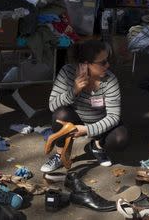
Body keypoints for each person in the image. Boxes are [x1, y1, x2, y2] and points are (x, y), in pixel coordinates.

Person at [40, 40, 129, 173]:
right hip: (76, 117)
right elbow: (53, 106)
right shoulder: (67, 72)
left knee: (120, 139)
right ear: (85, 64)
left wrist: (87, 130)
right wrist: (74, 90)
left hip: (100, 122)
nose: (108, 65)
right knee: (60, 114)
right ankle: (60, 154)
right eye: (103, 62)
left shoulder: (110, 80)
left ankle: (97, 145)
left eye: (107, 60)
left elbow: (114, 116)